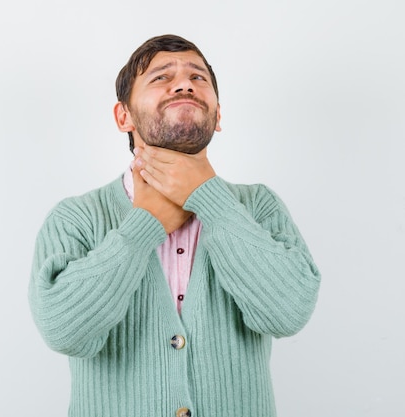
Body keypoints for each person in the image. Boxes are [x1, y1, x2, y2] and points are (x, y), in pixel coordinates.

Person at [28, 34, 321, 417]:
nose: (184, 84)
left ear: (218, 115)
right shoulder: (75, 217)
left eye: (198, 78)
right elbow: (63, 329)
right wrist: (143, 226)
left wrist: (211, 200)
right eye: (161, 77)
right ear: (124, 116)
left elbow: (288, 312)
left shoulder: (258, 205)